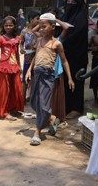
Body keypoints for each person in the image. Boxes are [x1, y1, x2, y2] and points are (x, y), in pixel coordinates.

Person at [25, 13, 74, 146]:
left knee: (44, 105)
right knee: (34, 102)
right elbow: (36, 55)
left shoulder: (56, 43)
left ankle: (37, 132)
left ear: (53, 27)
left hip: (48, 76)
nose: (41, 29)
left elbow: (64, 61)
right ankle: (52, 119)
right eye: (40, 27)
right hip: (37, 74)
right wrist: (29, 70)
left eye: (44, 27)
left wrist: (70, 78)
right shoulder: (40, 40)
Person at [0, 16, 24, 120]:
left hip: (14, 67)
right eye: (6, 25)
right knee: (3, 90)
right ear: (3, 26)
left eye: (10, 25)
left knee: (15, 89)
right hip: (4, 67)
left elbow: (17, 53)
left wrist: (19, 65)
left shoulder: (17, 39)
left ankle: (12, 109)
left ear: (14, 26)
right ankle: (3, 112)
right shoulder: (1, 39)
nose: (8, 27)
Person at [61, 0, 88, 119]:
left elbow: (76, 35)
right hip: (65, 55)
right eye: (68, 2)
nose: (70, 4)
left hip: (78, 56)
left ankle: (77, 108)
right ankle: (66, 106)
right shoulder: (65, 17)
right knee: (66, 80)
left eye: (73, 2)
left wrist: (62, 42)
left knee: (76, 80)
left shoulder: (80, 18)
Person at [20, 10, 41, 101]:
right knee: (25, 79)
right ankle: (22, 99)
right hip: (27, 59)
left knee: (36, 79)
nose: (39, 21)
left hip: (37, 59)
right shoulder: (24, 31)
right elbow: (21, 43)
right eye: (37, 19)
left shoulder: (40, 31)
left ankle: (33, 98)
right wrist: (21, 48)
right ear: (31, 19)